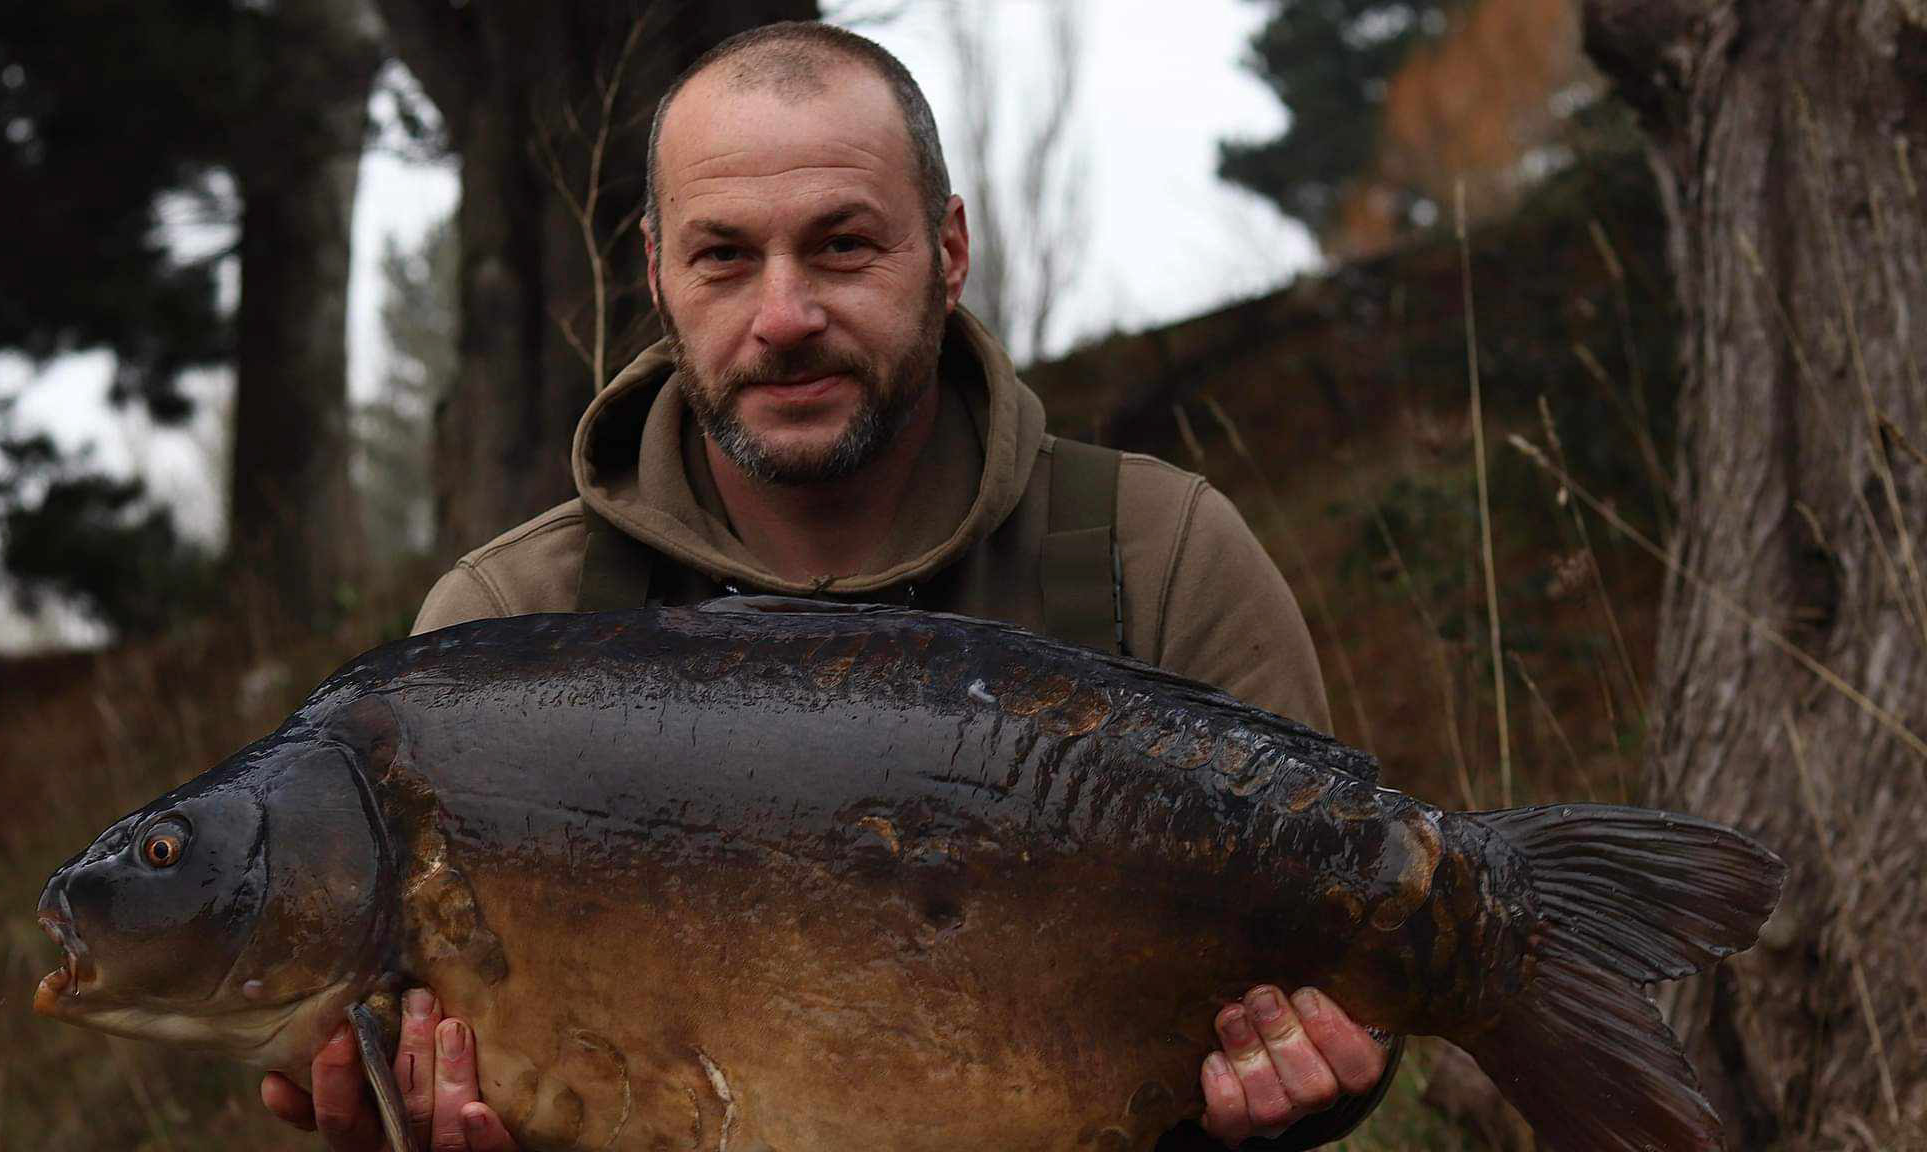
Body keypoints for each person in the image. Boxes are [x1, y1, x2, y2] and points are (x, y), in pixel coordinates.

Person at [263, 20, 1398, 1152]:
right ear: (655, 269)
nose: (783, 315)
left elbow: (1349, 961)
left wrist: (1328, 1081)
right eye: (723, 256)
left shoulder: (1154, 554)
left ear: (947, 251)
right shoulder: (501, 628)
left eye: (842, 246)